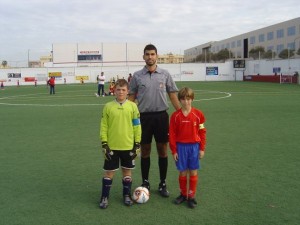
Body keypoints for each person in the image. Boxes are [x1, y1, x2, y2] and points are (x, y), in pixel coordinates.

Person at [128, 44, 181, 197]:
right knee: (145, 151)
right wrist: (127, 117)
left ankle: (162, 183)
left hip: (161, 117)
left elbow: (172, 95)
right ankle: (145, 182)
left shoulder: (165, 74)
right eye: (147, 54)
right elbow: (131, 99)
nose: (150, 57)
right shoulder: (137, 76)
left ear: (156, 56)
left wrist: (182, 114)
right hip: (143, 118)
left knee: (162, 150)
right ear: (143, 56)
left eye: (152, 54)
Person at [99, 78, 142, 209]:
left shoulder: (133, 107)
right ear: (114, 91)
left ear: (128, 91)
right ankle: (104, 197)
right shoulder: (108, 107)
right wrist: (104, 143)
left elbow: (137, 126)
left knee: (127, 173)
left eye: (123, 90)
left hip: (128, 146)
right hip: (112, 146)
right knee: (108, 173)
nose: (121, 92)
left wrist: (137, 143)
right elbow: (104, 126)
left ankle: (127, 195)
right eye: (118, 90)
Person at [169, 87, 207, 209]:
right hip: (181, 147)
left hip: (194, 147)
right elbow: (172, 135)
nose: (186, 102)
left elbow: (202, 132)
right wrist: (174, 150)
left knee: (193, 171)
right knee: (182, 172)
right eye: (184, 99)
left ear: (192, 99)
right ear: (180, 100)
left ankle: (191, 196)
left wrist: (202, 148)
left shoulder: (198, 114)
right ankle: (183, 194)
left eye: (188, 99)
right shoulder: (175, 116)